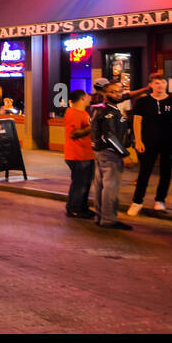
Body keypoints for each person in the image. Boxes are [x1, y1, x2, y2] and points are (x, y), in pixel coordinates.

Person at [128, 72, 172, 215]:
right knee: (144, 172)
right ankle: (137, 201)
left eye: (163, 82)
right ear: (151, 85)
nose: (160, 85)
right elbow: (137, 121)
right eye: (157, 83)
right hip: (148, 141)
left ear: (166, 84)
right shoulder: (143, 102)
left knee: (166, 172)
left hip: (169, 141)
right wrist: (138, 140)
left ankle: (160, 200)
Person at [90, 80, 132, 230]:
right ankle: (108, 219)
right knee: (110, 186)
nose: (117, 94)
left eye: (119, 91)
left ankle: (100, 216)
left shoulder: (99, 109)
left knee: (101, 185)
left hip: (100, 152)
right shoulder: (108, 112)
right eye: (113, 91)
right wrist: (124, 154)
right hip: (110, 153)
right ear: (105, 94)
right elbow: (109, 136)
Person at [63, 90, 95, 218]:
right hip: (78, 154)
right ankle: (74, 209)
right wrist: (92, 126)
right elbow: (73, 133)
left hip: (86, 153)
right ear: (82, 99)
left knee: (85, 183)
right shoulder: (73, 113)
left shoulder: (83, 112)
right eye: (87, 96)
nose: (89, 98)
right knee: (79, 184)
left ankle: (82, 207)